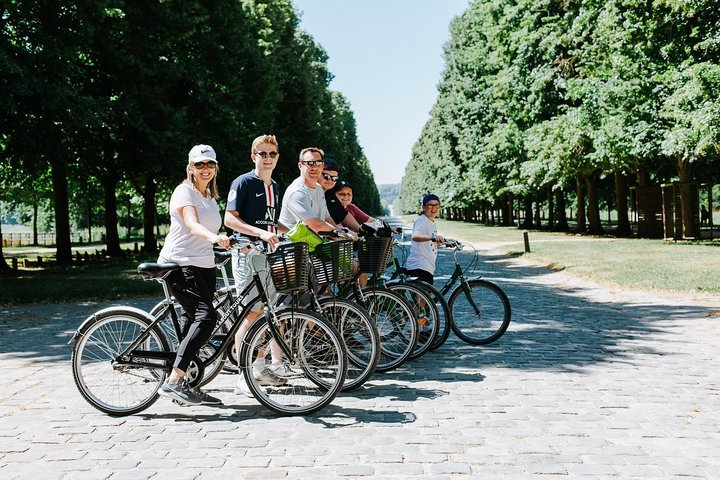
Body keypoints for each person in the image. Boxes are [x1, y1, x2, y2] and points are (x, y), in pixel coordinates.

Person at [156, 144, 230, 406]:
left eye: (210, 164)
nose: (205, 169)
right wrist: (214, 237)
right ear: (191, 168)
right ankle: (174, 382)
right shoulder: (183, 191)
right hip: (179, 263)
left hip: (203, 264)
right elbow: (192, 224)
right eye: (200, 165)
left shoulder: (210, 197)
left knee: (197, 320)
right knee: (206, 318)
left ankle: (183, 381)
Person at [223, 134, 294, 397]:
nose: (267, 158)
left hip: (267, 255)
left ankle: (260, 365)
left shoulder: (274, 186)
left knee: (269, 312)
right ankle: (242, 374)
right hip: (246, 254)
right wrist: (260, 234)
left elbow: (271, 222)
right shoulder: (243, 183)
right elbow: (230, 220)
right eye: (262, 154)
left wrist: (295, 230)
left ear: (277, 157)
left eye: (271, 154)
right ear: (253, 156)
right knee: (250, 313)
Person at [279, 147, 340, 233]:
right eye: (310, 163)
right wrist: (339, 233)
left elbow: (327, 218)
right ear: (300, 166)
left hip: (310, 243)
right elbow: (315, 225)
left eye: (318, 163)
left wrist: (342, 231)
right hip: (291, 244)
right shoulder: (297, 192)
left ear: (322, 166)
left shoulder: (319, 188)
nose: (314, 167)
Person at [405, 194, 445, 285]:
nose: (433, 208)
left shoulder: (431, 222)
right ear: (423, 207)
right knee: (423, 298)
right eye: (430, 205)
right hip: (419, 265)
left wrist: (445, 243)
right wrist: (433, 237)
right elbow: (416, 236)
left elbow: (430, 242)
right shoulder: (422, 220)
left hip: (427, 266)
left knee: (426, 296)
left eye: (436, 205)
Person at [319, 158, 362, 231]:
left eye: (334, 178)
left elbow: (342, 214)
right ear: (317, 173)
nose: (330, 181)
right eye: (326, 177)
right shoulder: (309, 192)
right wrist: (342, 233)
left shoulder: (330, 194)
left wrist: (361, 231)